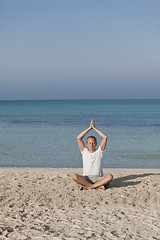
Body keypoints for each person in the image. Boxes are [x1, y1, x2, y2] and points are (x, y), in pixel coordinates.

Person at [72, 119, 113, 190]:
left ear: (96, 144)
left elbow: (105, 137)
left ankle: (90, 187)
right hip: (86, 178)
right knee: (74, 176)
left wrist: (94, 128)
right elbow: (78, 137)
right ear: (87, 144)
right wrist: (89, 128)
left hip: (99, 179)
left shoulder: (99, 151)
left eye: (93, 143)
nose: (91, 145)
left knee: (110, 176)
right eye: (90, 143)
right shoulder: (84, 151)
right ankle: (95, 186)